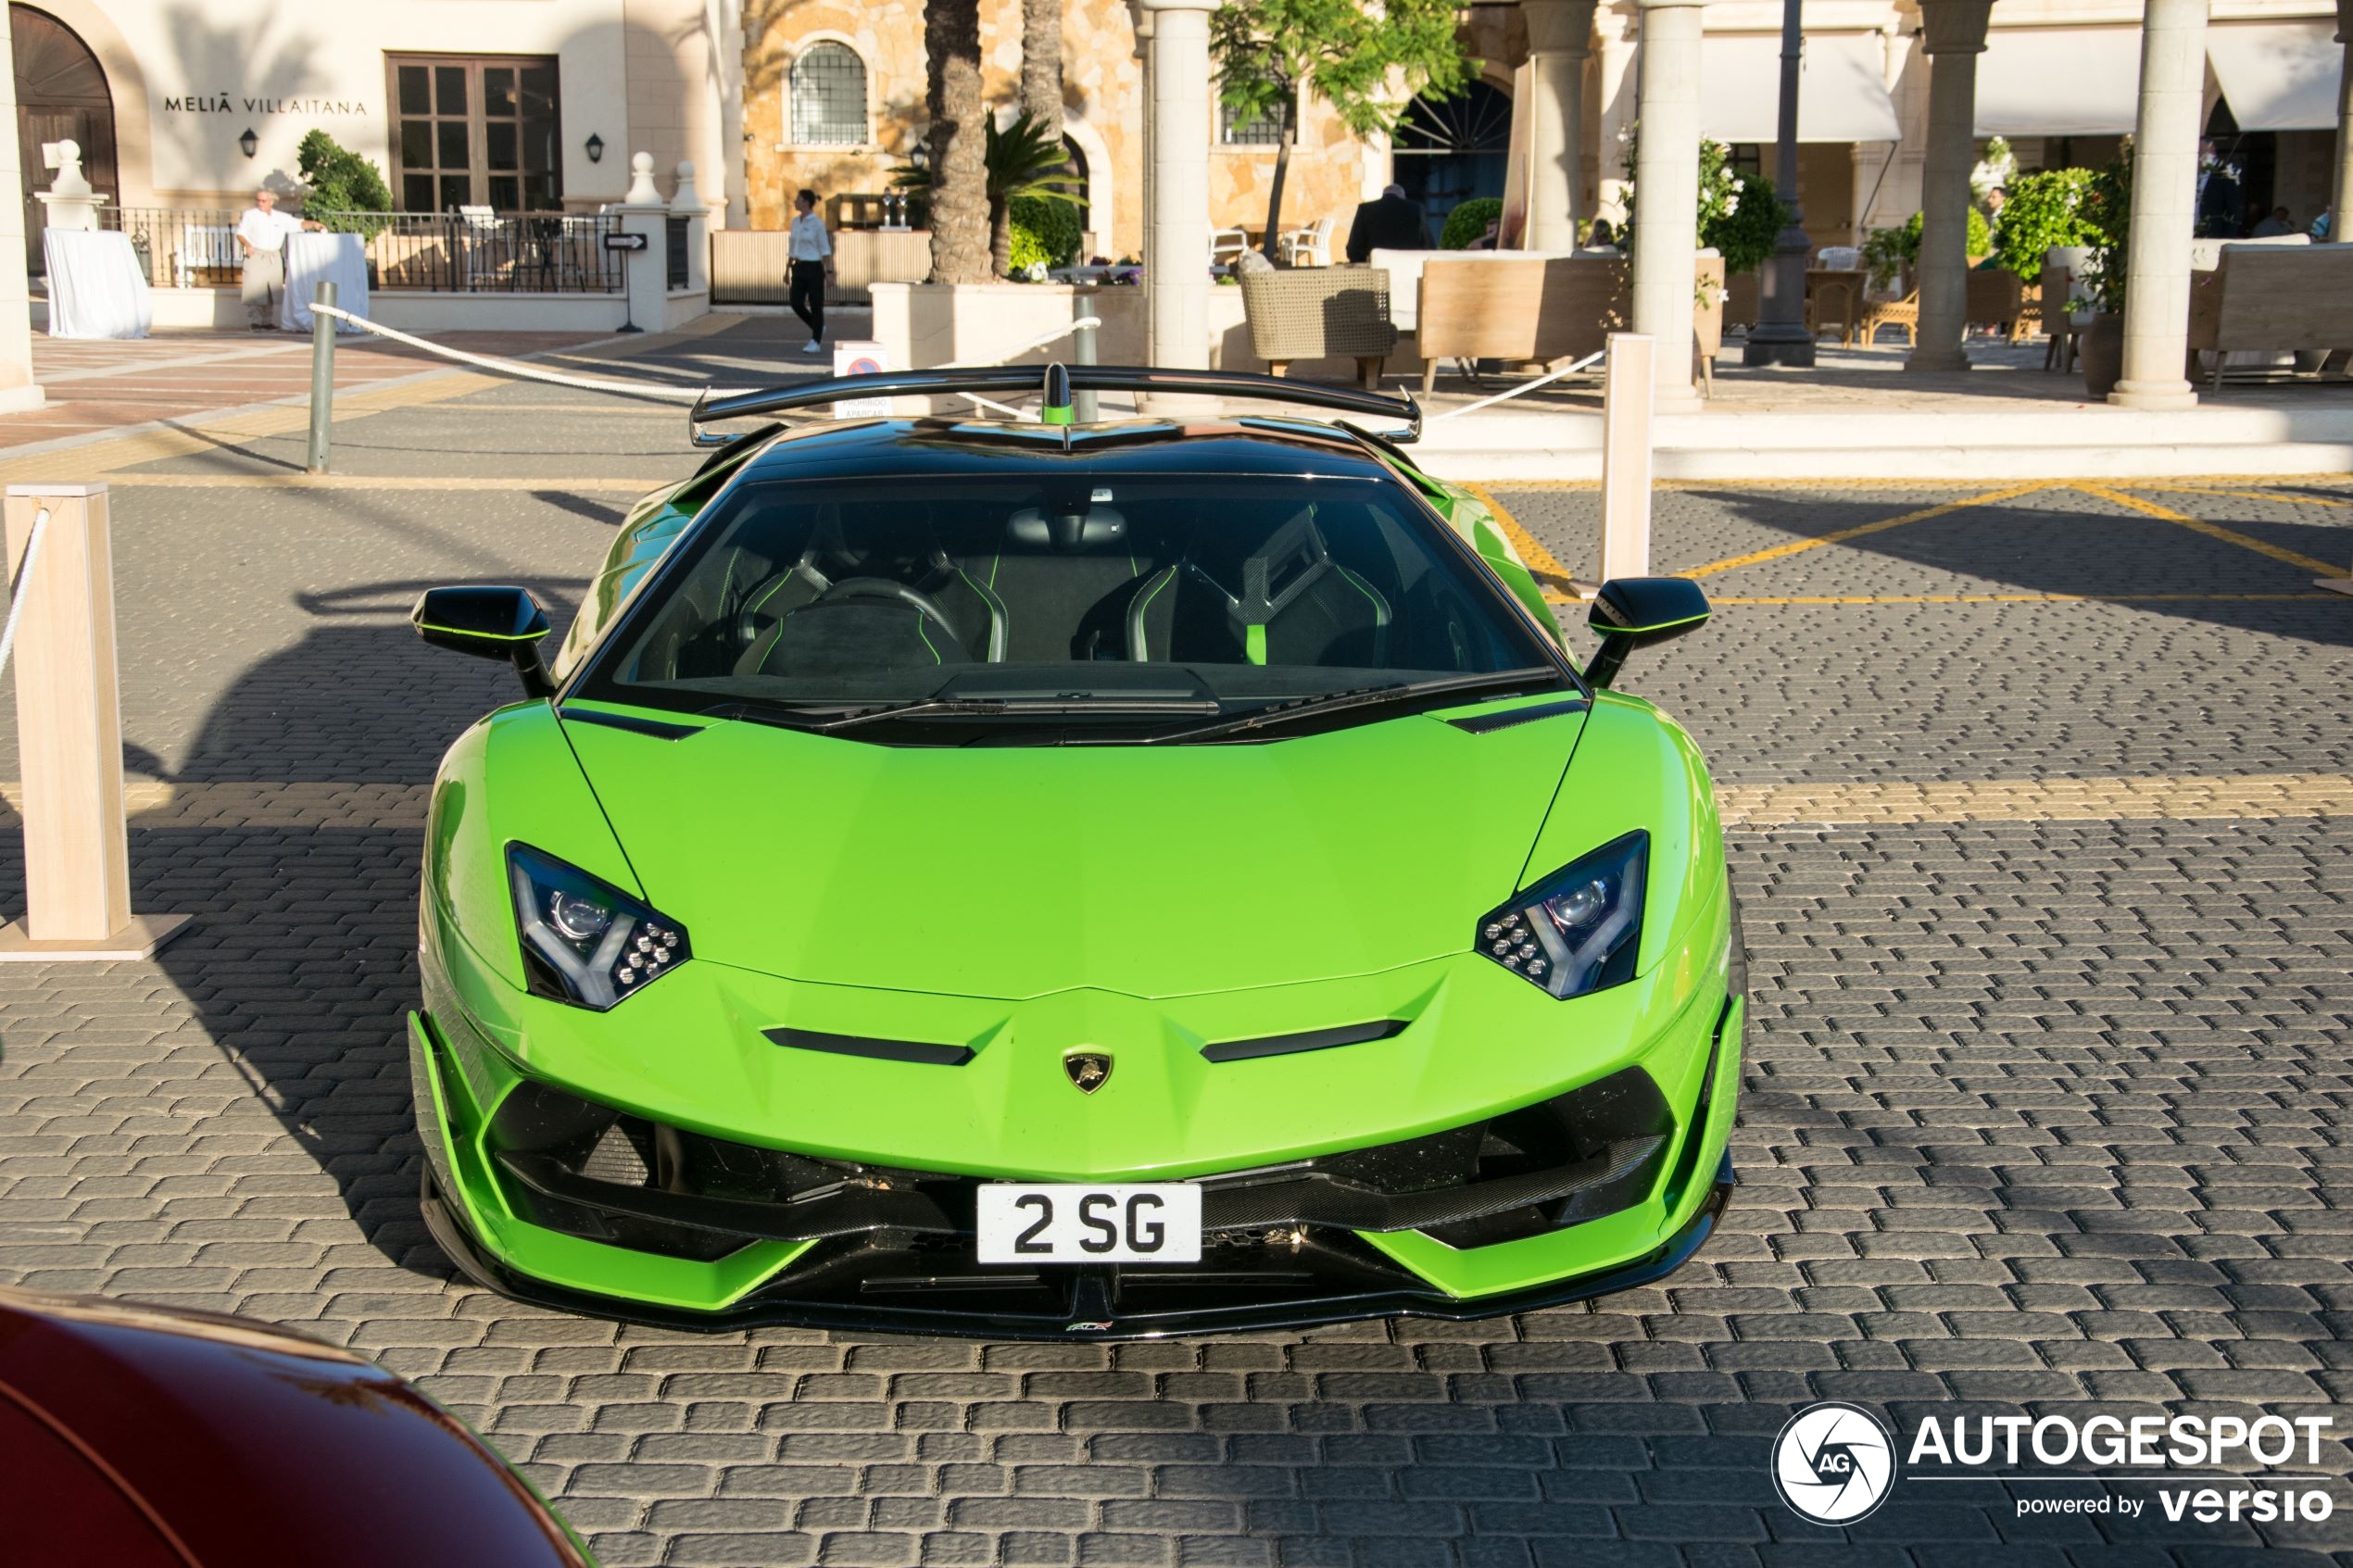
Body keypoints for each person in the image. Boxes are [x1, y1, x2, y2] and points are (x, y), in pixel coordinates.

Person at [234, 188, 321, 331]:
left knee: (271, 290)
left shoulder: (280, 217)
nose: (260, 203)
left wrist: (314, 224)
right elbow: (241, 233)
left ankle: (267, 321)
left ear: (271, 202)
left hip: (273, 256)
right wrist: (248, 245)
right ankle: (255, 322)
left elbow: (298, 224)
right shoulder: (250, 215)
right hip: (256, 254)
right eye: (258, 200)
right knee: (255, 290)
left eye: (264, 201)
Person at [786, 188, 834, 354]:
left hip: (813, 267)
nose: (795, 202)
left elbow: (825, 250)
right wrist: (787, 269)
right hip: (798, 267)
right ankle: (818, 326)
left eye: (798, 199)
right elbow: (792, 247)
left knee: (815, 304)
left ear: (806, 202)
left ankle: (816, 341)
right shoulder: (795, 222)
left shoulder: (817, 224)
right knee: (796, 302)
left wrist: (829, 273)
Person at [1344, 183, 1428, 263]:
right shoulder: (1417, 209)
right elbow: (1428, 246)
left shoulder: (1365, 209)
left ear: (1384, 195)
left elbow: (1353, 250)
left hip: (1375, 271)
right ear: (1403, 197)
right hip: (1410, 269)